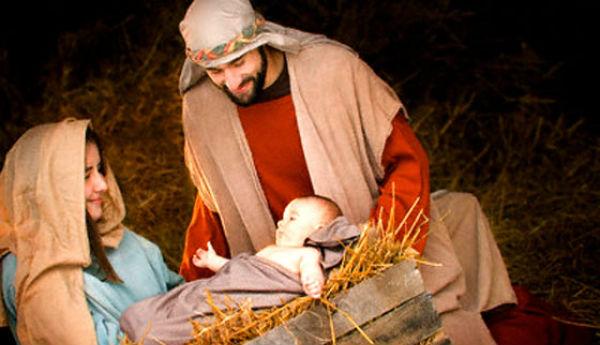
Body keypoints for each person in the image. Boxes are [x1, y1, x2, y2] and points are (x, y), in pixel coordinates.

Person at [176, 0, 516, 344]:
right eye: (216, 71)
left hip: (362, 241)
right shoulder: (202, 106)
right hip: (280, 269)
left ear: (260, 39)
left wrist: (381, 247)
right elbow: (212, 199)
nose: (231, 82)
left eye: (238, 62)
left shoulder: (334, 70)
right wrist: (193, 287)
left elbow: (406, 161)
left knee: (425, 321)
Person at [0, 118, 183, 345]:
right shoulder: (33, 272)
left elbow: (181, 294)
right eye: (86, 175)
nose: (102, 185)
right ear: (48, 188)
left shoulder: (119, 238)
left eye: (100, 170)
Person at [120, 195, 360, 345]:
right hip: (220, 288)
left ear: (317, 230)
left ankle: (156, 333)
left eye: (292, 218)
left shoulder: (306, 254)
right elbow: (239, 269)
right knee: (179, 301)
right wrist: (213, 262)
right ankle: (147, 320)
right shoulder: (269, 250)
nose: (281, 223)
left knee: (193, 319)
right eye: (283, 218)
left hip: (236, 300)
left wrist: (312, 282)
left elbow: (311, 270)